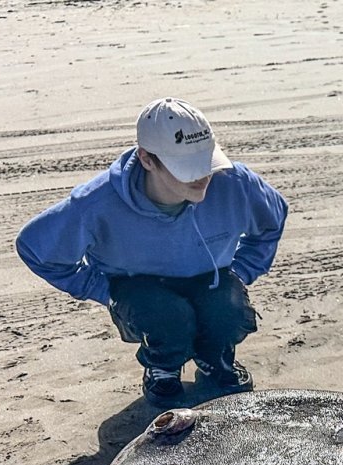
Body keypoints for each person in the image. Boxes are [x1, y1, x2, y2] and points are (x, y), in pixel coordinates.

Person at [16, 97, 288, 404]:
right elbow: (36, 249)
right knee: (169, 319)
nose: (203, 177)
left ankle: (215, 359)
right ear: (147, 159)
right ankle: (163, 369)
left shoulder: (235, 183)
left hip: (210, 278)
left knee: (229, 311)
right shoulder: (97, 203)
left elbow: (273, 219)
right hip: (139, 288)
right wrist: (103, 290)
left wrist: (243, 271)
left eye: (206, 162)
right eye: (186, 167)